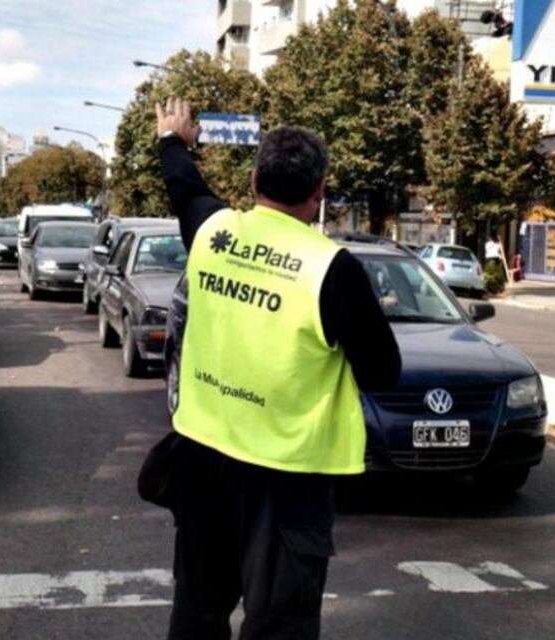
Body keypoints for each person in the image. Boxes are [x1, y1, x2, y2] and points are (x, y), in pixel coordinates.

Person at [155, 98, 401, 639]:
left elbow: (184, 187)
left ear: (252, 182)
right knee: (279, 626)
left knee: (197, 612)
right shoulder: (332, 270)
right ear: (319, 195)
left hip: (202, 461)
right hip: (287, 481)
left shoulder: (214, 234)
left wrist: (173, 139)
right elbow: (383, 372)